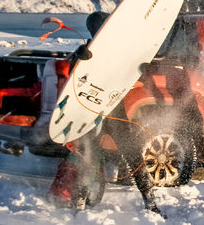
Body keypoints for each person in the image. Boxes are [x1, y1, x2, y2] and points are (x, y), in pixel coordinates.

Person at [48, 12, 163, 216]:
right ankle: (80, 205)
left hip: (116, 115)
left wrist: (145, 70)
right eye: (101, 27)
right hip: (92, 117)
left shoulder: (121, 51)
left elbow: (136, 71)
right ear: (94, 29)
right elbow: (73, 82)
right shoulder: (85, 50)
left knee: (134, 156)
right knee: (88, 159)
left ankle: (150, 203)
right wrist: (78, 61)